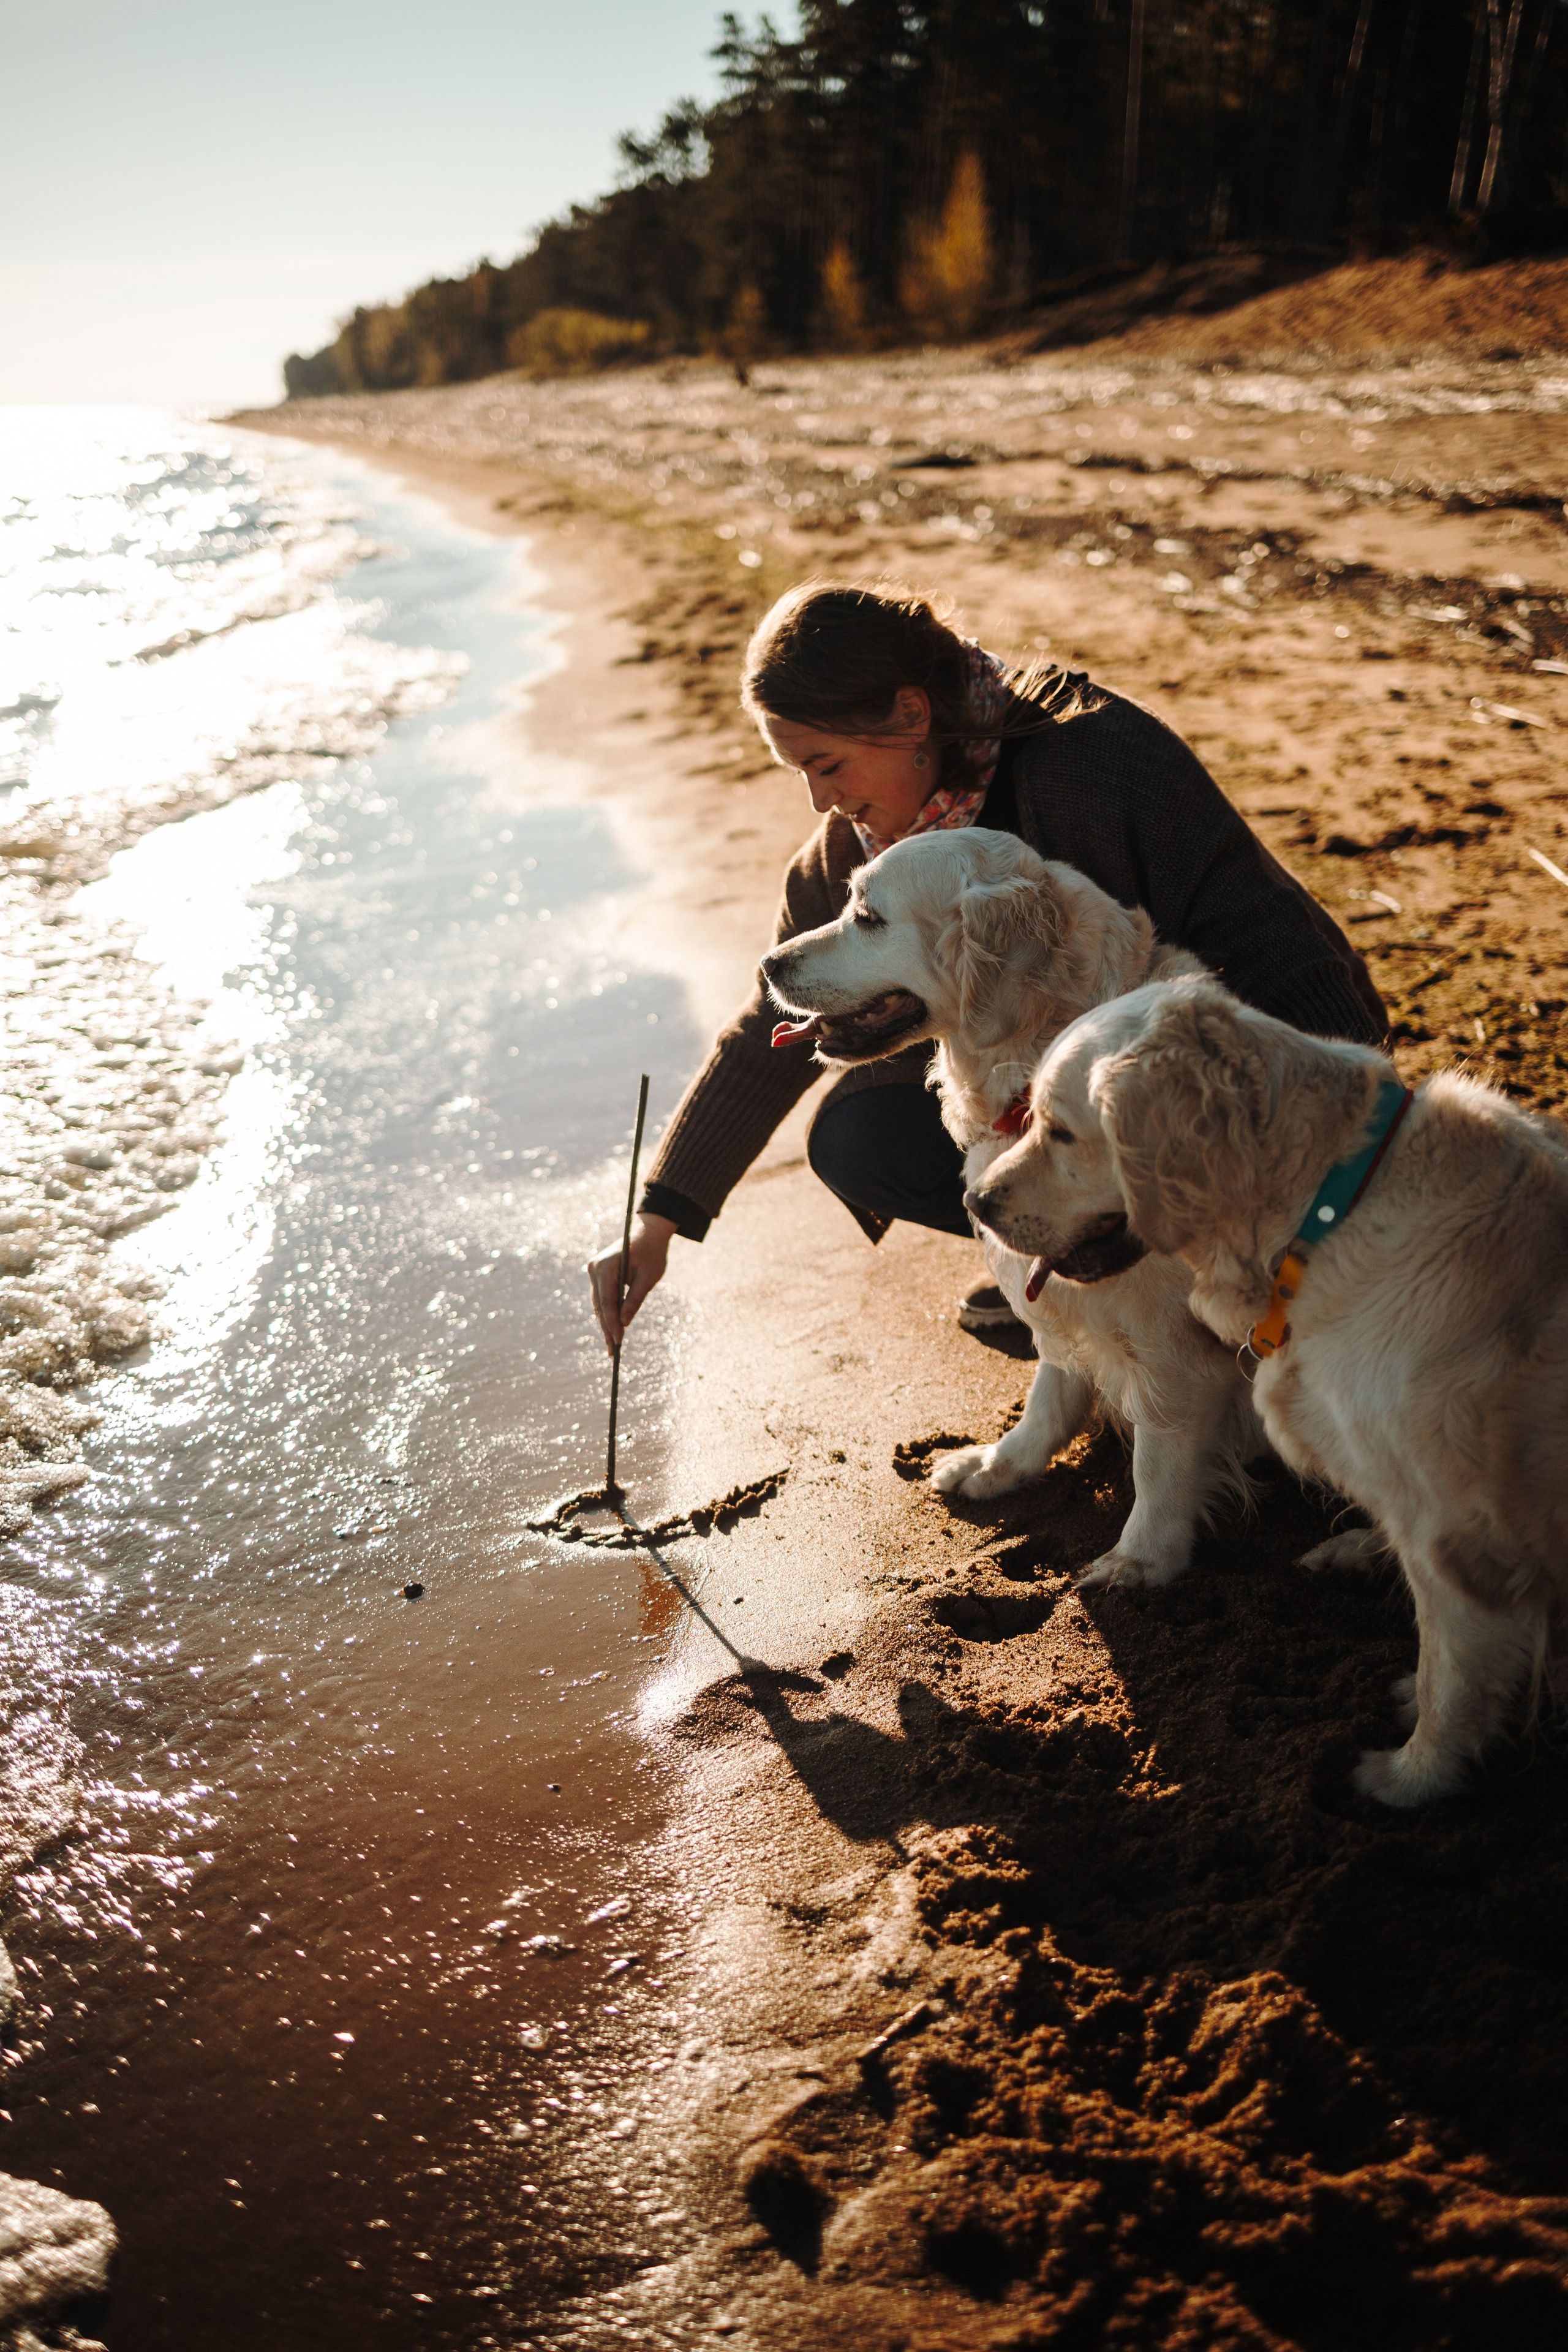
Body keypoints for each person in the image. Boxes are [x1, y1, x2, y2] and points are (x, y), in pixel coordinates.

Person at [587, 581, 1386, 1351]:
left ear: (909, 715)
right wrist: (657, 1221)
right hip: (1072, 1100)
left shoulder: (1092, 757)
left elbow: (1256, 927)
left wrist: (1339, 1132)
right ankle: (1060, 1264)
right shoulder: (841, 861)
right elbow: (773, 1025)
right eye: (798, 771)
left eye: (827, 766)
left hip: (1234, 1058)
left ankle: (1150, 1272)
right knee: (861, 1134)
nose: (818, 801)